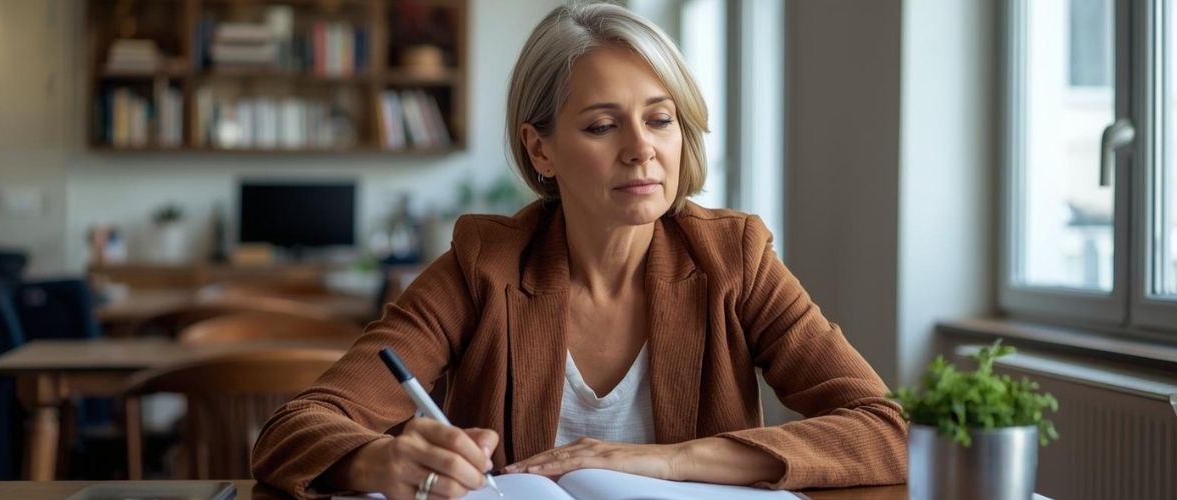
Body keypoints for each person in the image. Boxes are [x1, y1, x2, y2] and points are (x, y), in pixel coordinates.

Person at [251, 3, 907, 499]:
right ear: (540, 149)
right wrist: (378, 460)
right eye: (601, 125)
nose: (641, 148)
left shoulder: (733, 258)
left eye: (660, 118)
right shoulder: (484, 268)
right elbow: (298, 427)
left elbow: (887, 429)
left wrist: (666, 460)